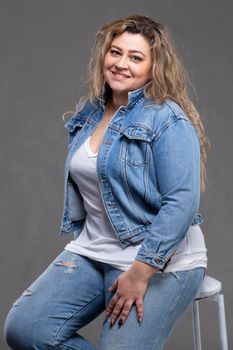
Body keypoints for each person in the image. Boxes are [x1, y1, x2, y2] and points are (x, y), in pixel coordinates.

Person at [4, 15, 209, 350]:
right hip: (94, 250)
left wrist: (141, 271)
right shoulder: (91, 113)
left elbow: (182, 203)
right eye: (116, 52)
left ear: (154, 67)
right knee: (26, 329)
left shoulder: (168, 119)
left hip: (160, 261)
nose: (121, 64)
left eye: (136, 57)